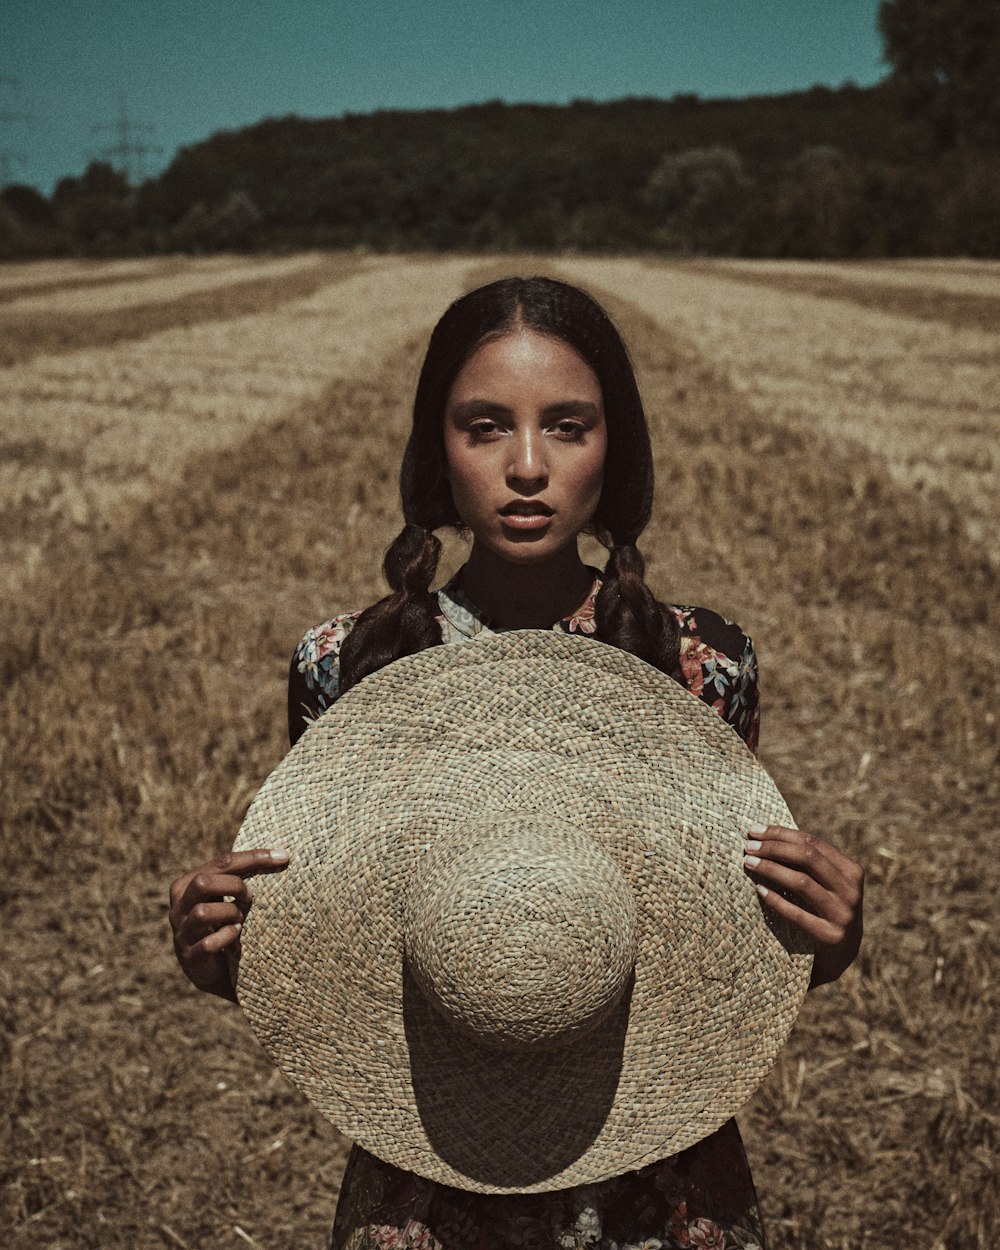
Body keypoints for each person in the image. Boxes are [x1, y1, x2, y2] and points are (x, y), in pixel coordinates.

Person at [169, 276, 864, 1249]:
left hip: (659, 1172)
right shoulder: (346, 667)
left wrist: (823, 941)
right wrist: (226, 950)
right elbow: (334, 932)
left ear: (613, 450)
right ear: (434, 451)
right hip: (425, 1174)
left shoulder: (699, 665)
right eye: (485, 426)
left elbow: (721, 930)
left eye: (568, 426)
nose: (526, 465)